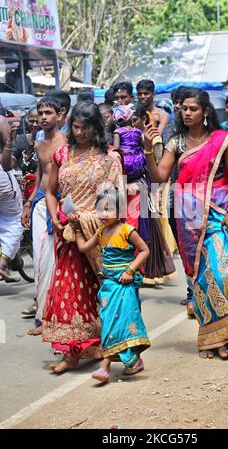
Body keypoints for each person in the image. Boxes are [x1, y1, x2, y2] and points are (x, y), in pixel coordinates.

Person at [144, 88, 228, 359]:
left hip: (217, 211)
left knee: (222, 272)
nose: (187, 113)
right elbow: (160, 177)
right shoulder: (176, 142)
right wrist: (147, 151)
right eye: (184, 109)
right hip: (187, 215)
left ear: (205, 112)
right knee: (201, 278)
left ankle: (225, 332)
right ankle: (214, 338)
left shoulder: (222, 139)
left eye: (193, 108)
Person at [42, 101, 123, 373]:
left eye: (84, 128)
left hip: (96, 231)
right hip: (67, 233)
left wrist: (91, 222)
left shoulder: (108, 158)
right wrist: (55, 217)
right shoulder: (62, 154)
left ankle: (106, 344)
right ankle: (72, 352)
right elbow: (51, 191)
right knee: (69, 289)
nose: (78, 132)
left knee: (100, 292)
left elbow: (113, 202)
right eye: (75, 126)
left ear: (96, 128)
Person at [73, 187, 150, 382]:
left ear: (121, 211)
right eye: (100, 209)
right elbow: (83, 247)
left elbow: (144, 251)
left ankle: (105, 366)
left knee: (123, 321)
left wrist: (129, 271)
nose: (103, 214)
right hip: (108, 285)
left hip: (124, 284)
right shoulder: (101, 232)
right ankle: (135, 361)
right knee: (109, 320)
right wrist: (76, 227)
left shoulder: (127, 230)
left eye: (109, 209)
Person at [114, 104, 176, 284]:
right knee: (137, 229)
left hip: (137, 186)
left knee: (134, 229)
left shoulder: (130, 138)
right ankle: (135, 268)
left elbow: (152, 165)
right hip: (136, 185)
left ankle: (135, 268)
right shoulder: (140, 137)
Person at [22, 97, 67, 336]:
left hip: (62, 205)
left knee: (60, 261)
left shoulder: (67, 142)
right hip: (41, 204)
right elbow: (40, 176)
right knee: (41, 259)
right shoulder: (39, 144)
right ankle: (43, 315)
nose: (43, 117)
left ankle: (58, 314)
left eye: (48, 112)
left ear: (59, 115)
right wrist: (28, 203)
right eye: (40, 113)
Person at [0, 116, 23, 282]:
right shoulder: (1, 121)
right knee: (14, 220)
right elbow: (7, 163)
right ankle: (2, 264)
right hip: (2, 179)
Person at [12, 108, 39, 175]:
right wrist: (10, 140)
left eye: (38, 121)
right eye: (31, 121)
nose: (35, 125)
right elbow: (9, 163)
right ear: (27, 121)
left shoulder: (52, 141)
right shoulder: (20, 140)